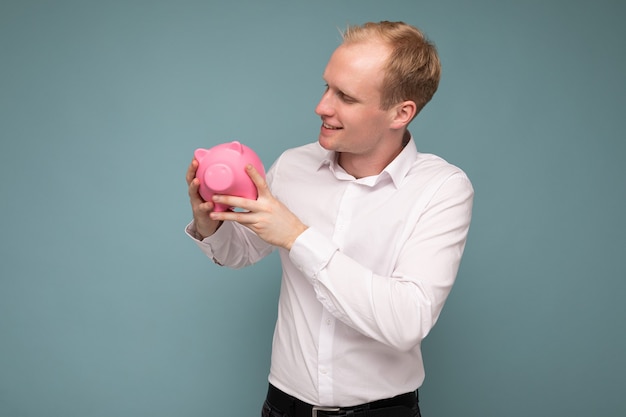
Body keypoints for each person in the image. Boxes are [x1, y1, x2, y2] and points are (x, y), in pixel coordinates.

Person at [185, 21, 473, 417]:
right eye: (326, 87)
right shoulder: (293, 165)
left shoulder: (442, 189)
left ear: (401, 112)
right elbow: (242, 251)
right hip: (283, 408)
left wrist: (298, 237)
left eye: (346, 97)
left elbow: (407, 321)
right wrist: (210, 222)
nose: (322, 106)